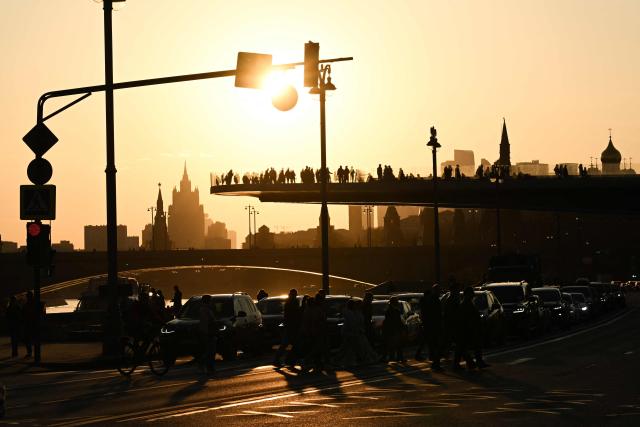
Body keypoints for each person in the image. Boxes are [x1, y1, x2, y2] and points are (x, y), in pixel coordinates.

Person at [457, 287, 490, 370]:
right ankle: (473, 363)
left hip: (470, 328)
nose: (473, 295)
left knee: (469, 347)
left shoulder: (468, 303)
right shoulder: (466, 304)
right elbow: (468, 318)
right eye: (471, 293)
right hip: (469, 329)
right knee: (468, 347)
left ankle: (474, 363)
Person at [415, 284, 443, 371]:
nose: (440, 292)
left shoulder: (429, 300)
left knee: (431, 344)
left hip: (429, 325)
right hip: (433, 326)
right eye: (439, 290)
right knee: (435, 345)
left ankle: (434, 361)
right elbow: (436, 314)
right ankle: (435, 363)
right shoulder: (434, 300)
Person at [273, 289, 302, 368]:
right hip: (292, 326)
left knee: (286, 344)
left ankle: (285, 359)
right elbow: (294, 315)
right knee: (293, 344)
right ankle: (288, 360)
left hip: (290, 326)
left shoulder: (289, 302)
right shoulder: (292, 303)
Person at [380, 297, 406, 363]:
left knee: (392, 344)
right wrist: (401, 328)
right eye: (396, 301)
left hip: (391, 329)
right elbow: (396, 321)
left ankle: (394, 357)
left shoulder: (389, 310)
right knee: (396, 344)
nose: (397, 302)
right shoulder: (394, 311)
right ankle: (397, 357)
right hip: (393, 329)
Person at [198, 295, 217, 374]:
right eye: (210, 301)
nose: (211, 302)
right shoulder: (205, 310)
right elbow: (207, 322)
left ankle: (209, 367)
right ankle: (207, 367)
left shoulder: (205, 309)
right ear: (208, 301)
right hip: (208, 333)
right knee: (210, 351)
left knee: (210, 351)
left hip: (207, 332)